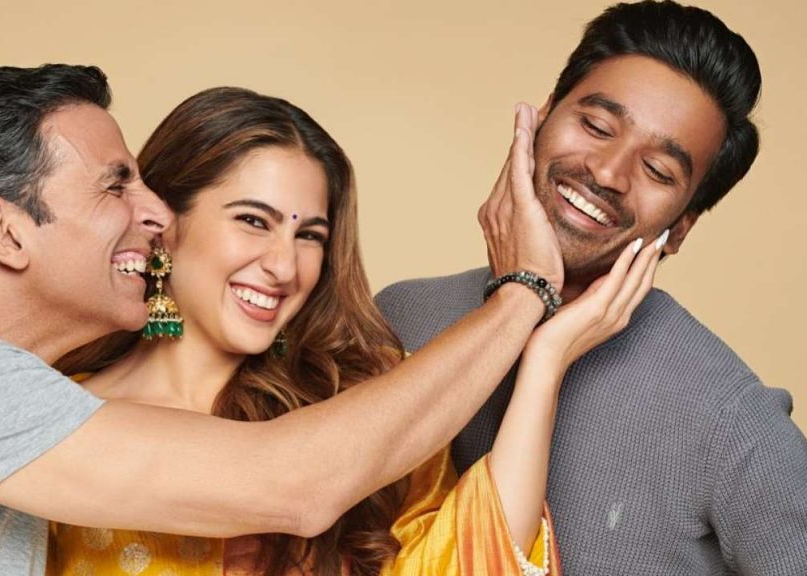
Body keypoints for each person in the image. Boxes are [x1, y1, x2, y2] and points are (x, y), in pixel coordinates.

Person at [0, 63, 563, 575]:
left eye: (310, 234)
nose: (153, 212)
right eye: (115, 186)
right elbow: (295, 483)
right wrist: (525, 294)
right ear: (6, 231)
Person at [47, 86, 667, 575]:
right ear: (164, 221)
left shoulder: (354, 403)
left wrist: (545, 359)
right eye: (253, 221)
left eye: (309, 235)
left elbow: (471, 559)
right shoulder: (57, 417)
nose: (284, 266)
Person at [376, 2, 807, 574]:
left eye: (658, 171)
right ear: (542, 117)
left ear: (681, 227)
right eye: (597, 127)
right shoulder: (400, 317)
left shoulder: (729, 418)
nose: (607, 172)